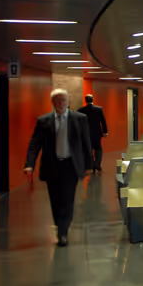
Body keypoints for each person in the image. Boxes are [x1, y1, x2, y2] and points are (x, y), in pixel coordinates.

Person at [24, 89, 92, 246]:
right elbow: (35, 144)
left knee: (67, 199)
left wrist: (88, 165)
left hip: (70, 166)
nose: (60, 103)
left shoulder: (79, 119)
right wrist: (29, 164)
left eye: (63, 100)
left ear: (67, 102)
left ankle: (63, 233)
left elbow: (86, 143)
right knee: (55, 200)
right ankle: (59, 227)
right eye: (57, 101)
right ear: (52, 103)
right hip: (52, 166)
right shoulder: (44, 121)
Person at [77, 94, 108, 172]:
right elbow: (103, 121)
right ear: (93, 99)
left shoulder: (81, 110)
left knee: (88, 149)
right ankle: (97, 164)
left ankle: (90, 164)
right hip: (97, 132)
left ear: (85, 100)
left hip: (86, 133)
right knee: (98, 148)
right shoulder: (99, 109)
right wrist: (105, 131)